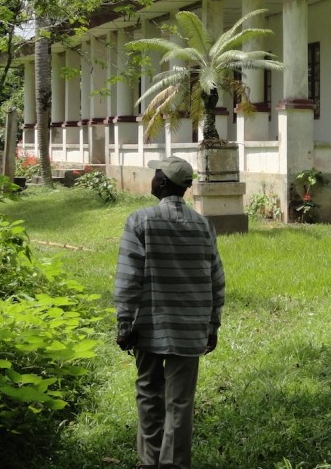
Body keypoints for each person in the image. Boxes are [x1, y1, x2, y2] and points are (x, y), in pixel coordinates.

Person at [114, 155, 225, 469]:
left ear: (162, 183)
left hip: (148, 326)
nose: (152, 178)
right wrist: (212, 324)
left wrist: (125, 322)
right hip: (191, 328)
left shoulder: (140, 221)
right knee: (180, 402)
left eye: (155, 174)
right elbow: (216, 278)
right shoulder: (204, 226)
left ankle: (149, 461)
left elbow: (128, 276)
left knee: (149, 391)